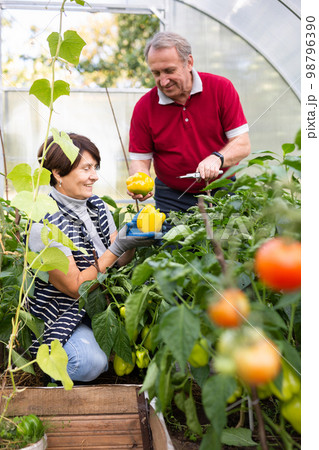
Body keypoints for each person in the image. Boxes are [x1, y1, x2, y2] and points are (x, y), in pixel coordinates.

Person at [27, 133, 155, 382]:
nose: (95, 176)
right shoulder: (44, 224)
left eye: (95, 167)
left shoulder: (97, 206)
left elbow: (118, 261)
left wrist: (132, 242)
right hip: (62, 315)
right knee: (87, 361)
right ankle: (57, 367)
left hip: (100, 308)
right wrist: (118, 246)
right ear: (57, 172)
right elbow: (76, 289)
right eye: (86, 168)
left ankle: (104, 350)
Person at [128, 31, 251, 214]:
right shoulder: (144, 107)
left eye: (169, 71)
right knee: (173, 242)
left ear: (189, 63)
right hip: (171, 196)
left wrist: (217, 158)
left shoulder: (221, 89)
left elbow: (242, 144)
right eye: (156, 73)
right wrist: (140, 180)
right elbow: (140, 160)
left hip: (222, 189)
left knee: (226, 240)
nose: (163, 80)